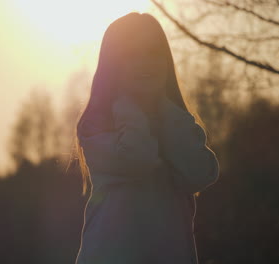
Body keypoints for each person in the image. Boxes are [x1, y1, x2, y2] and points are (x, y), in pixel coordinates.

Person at [72, 11, 220, 264]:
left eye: (153, 52)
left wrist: (165, 112)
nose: (145, 62)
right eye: (132, 54)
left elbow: (201, 173)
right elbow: (138, 158)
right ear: (114, 66)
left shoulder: (178, 123)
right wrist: (129, 109)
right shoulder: (96, 127)